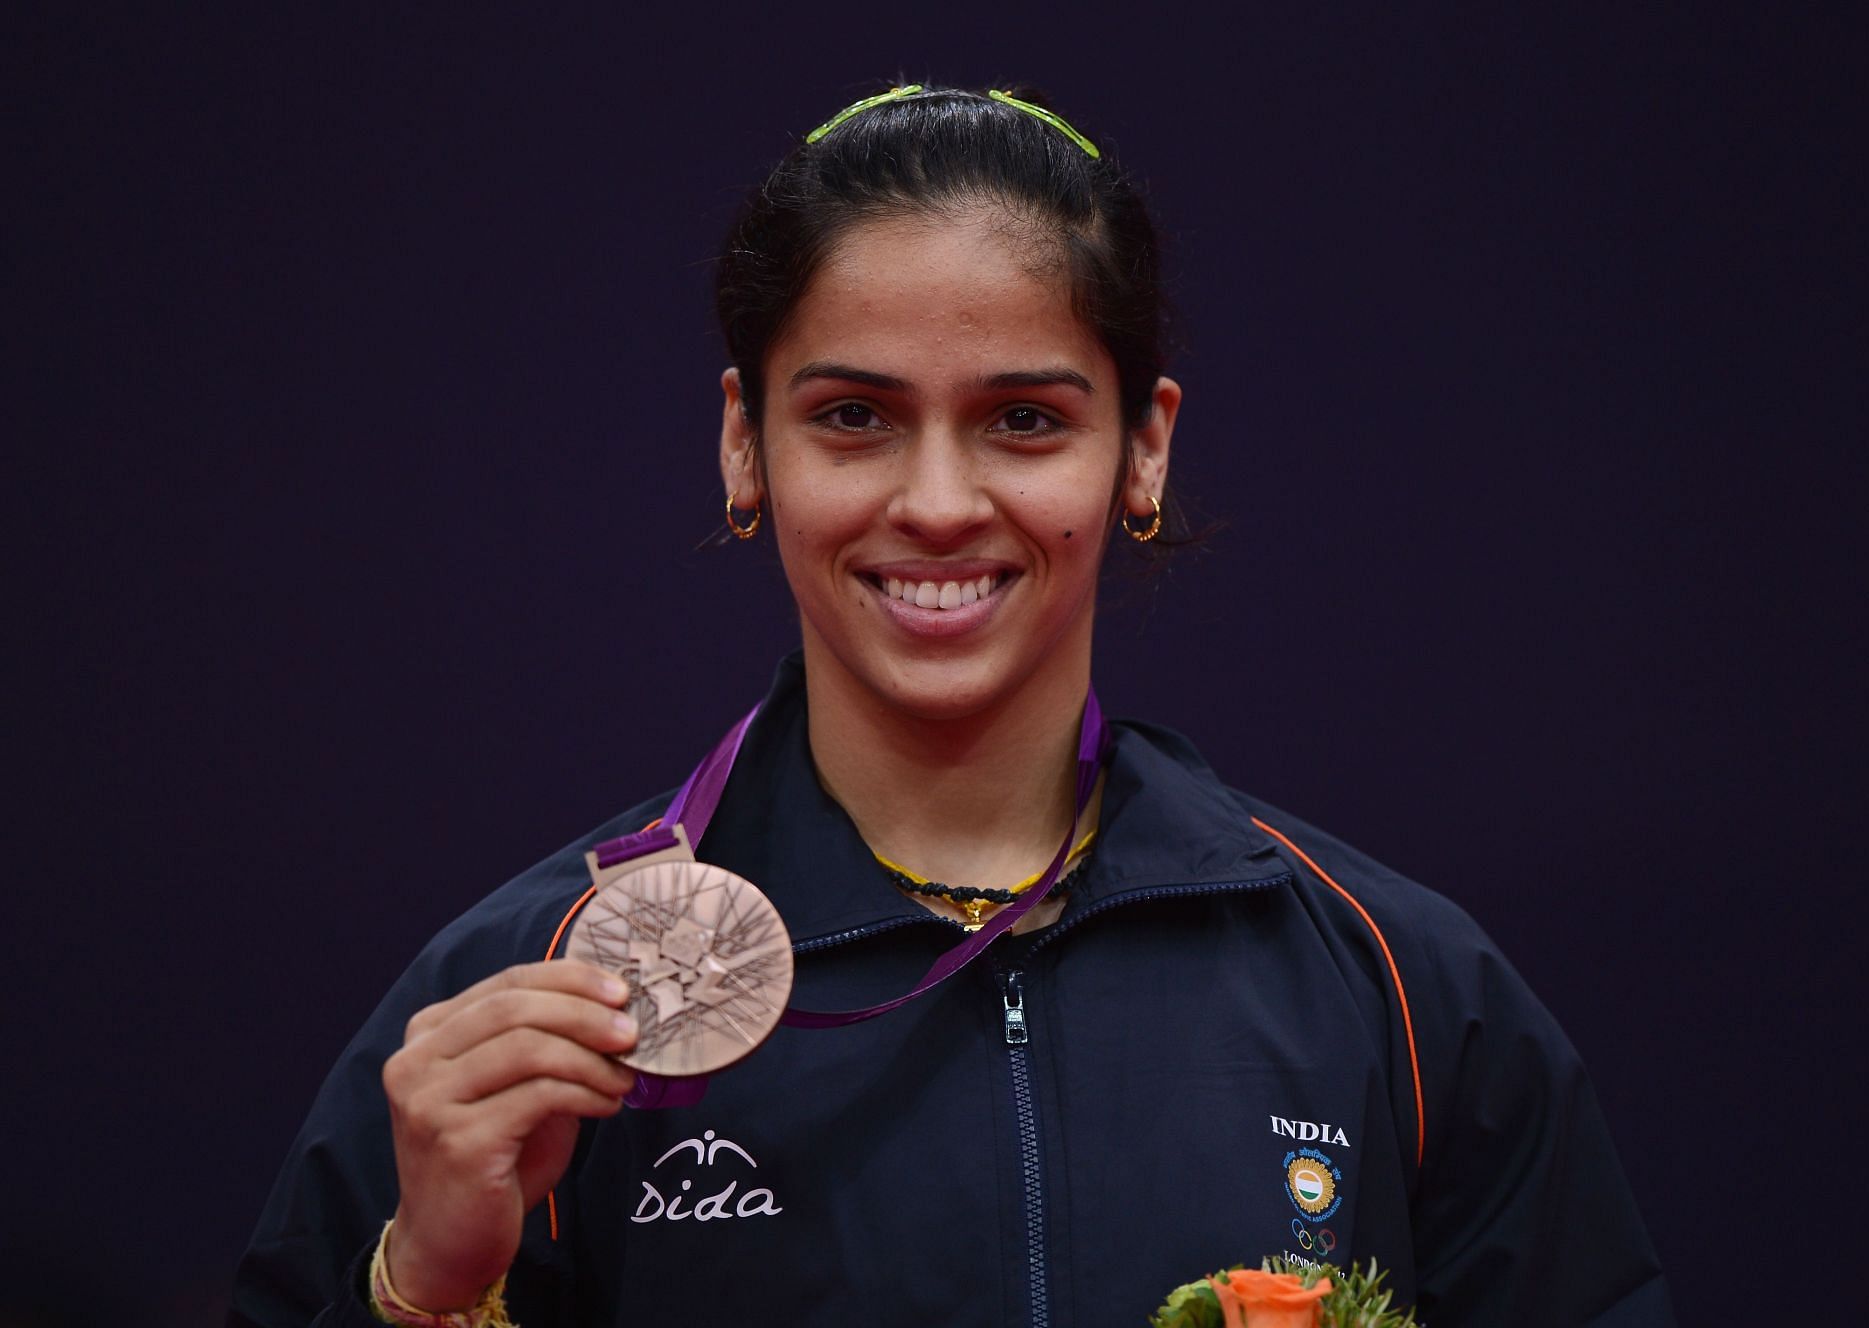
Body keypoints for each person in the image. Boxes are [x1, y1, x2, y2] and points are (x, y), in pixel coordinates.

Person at [231, 84, 1674, 1327]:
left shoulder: (1394, 994)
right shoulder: (528, 1006)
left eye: (1025, 420)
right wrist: (422, 1286)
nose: (935, 502)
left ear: (1143, 449)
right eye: (852, 416)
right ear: (747, 444)